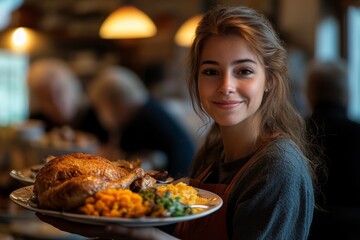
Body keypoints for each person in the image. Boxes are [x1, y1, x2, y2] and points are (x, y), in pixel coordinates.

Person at [37, 6, 317, 239]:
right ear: (196, 79)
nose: (226, 85)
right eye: (211, 71)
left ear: (269, 80)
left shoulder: (277, 169)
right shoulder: (211, 154)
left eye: (244, 71)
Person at [84, 66, 196, 177]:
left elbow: (145, 160)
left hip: (176, 180)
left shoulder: (144, 121)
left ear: (116, 103)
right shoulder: (145, 108)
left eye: (100, 106)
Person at [306, 60, 360, 239]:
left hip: (307, 231)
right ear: (346, 93)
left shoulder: (296, 133)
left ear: (309, 94)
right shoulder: (356, 132)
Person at [27, 58, 85, 131]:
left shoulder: (96, 118)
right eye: (48, 98)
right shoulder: (36, 126)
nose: (56, 102)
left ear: (71, 88)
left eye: (59, 92)